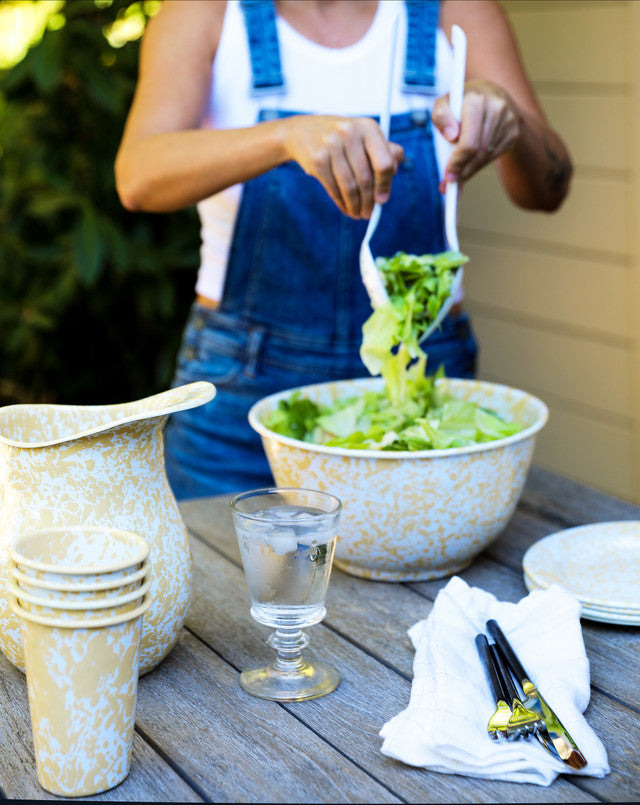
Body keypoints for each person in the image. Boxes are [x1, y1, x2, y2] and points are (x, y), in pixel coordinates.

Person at [115, 0, 572, 499]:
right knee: (213, 549)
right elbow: (137, 176)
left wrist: (511, 121)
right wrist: (284, 137)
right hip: (241, 384)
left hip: (423, 373)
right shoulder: (203, 13)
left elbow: (548, 189)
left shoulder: (457, 11)